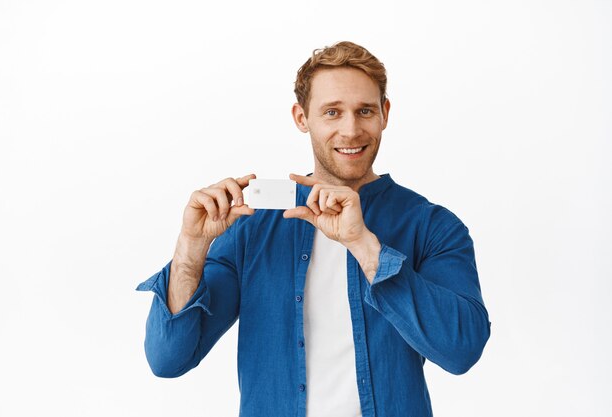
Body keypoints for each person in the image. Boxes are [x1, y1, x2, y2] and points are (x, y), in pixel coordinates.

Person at [137, 41, 491, 417]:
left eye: (365, 111)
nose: (351, 130)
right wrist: (192, 247)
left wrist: (363, 245)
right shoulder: (251, 227)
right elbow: (168, 359)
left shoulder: (432, 226)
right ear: (302, 117)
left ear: (385, 113)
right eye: (332, 112)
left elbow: (461, 350)